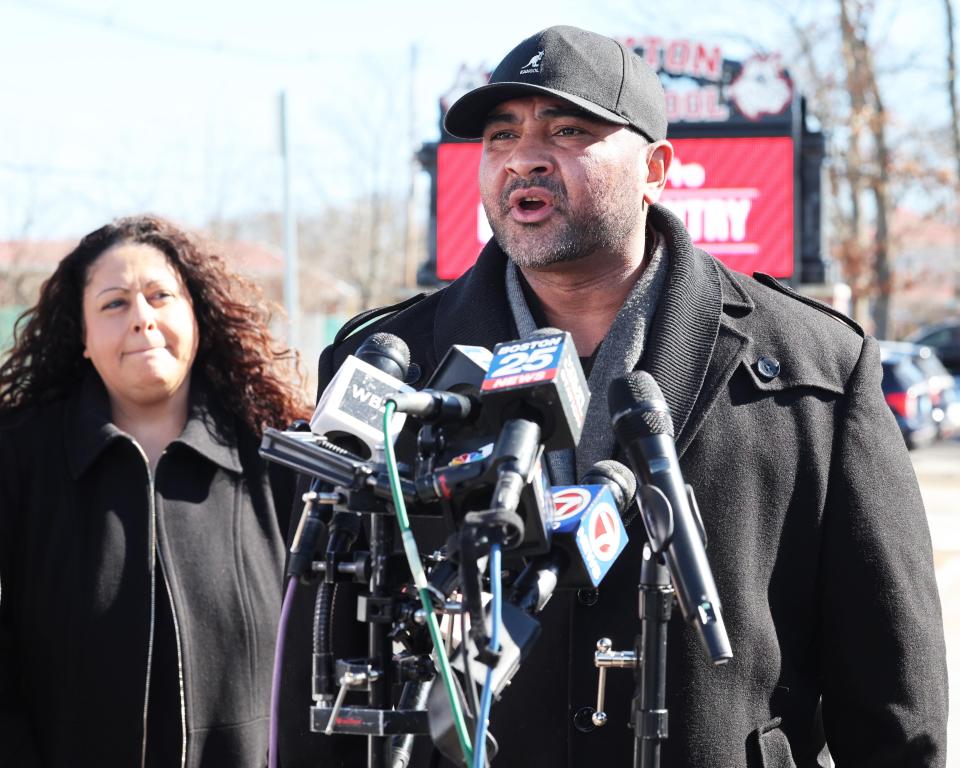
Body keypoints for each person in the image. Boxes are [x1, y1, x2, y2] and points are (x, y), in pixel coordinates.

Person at [282, 26, 948, 768]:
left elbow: (893, 698)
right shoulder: (392, 367)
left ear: (655, 168)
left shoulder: (814, 365)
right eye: (501, 136)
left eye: (569, 130)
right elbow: (326, 653)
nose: (524, 157)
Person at [0, 215, 308, 767]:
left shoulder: (280, 459)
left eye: (160, 295)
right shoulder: (19, 458)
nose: (142, 318)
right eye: (114, 304)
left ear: (197, 315)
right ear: (84, 338)